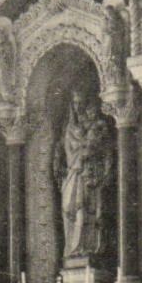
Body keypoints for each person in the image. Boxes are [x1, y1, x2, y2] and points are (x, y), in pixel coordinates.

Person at [53, 91, 112, 257]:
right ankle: (73, 248)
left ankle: (86, 248)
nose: (78, 107)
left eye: (81, 103)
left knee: (86, 210)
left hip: (89, 174)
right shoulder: (70, 128)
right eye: (75, 103)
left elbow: (104, 151)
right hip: (73, 173)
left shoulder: (96, 126)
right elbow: (63, 152)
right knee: (69, 209)